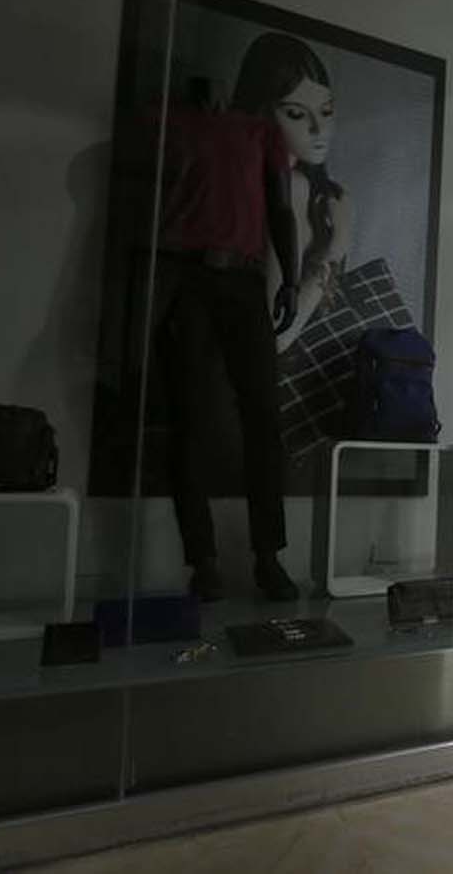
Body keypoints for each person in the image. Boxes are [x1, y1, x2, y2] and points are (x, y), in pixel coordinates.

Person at [153, 73, 301, 603]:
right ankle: (205, 561)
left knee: (263, 416)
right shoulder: (171, 125)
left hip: (242, 279)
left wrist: (291, 275)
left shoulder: (260, 132)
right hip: (184, 278)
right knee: (188, 419)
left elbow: (281, 208)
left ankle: (268, 556)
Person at [234, 33, 352, 352]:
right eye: (297, 114)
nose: (318, 129)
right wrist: (336, 247)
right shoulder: (292, 187)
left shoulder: (299, 186)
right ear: (262, 113)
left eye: (326, 111)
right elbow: (278, 335)